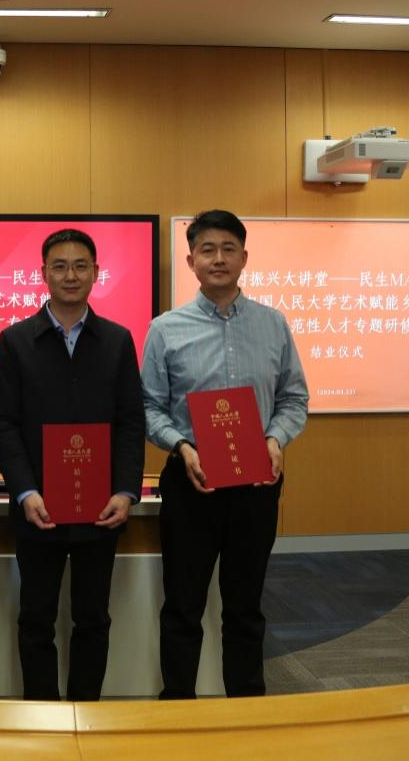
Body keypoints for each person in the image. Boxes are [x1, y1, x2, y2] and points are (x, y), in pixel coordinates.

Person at [141, 209, 309, 699]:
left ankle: (246, 706)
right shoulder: (165, 329)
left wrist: (275, 439)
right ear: (191, 260)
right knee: (182, 606)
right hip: (191, 484)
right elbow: (148, 406)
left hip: (257, 485)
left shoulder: (273, 325)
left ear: (244, 258)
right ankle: (178, 706)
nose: (218, 258)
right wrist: (182, 445)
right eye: (207, 250)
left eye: (228, 249)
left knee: (245, 606)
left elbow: (294, 398)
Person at [0, 228, 146, 702]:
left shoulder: (117, 340)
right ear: (43, 274)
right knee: (35, 619)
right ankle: (43, 715)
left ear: (97, 273)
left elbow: (130, 421)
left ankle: (86, 712)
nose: (71, 275)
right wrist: (24, 491)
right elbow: (4, 423)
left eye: (81, 266)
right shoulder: (16, 341)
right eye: (59, 266)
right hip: (37, 508)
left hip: (101, 509)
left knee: (93, 619)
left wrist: (125, 490)